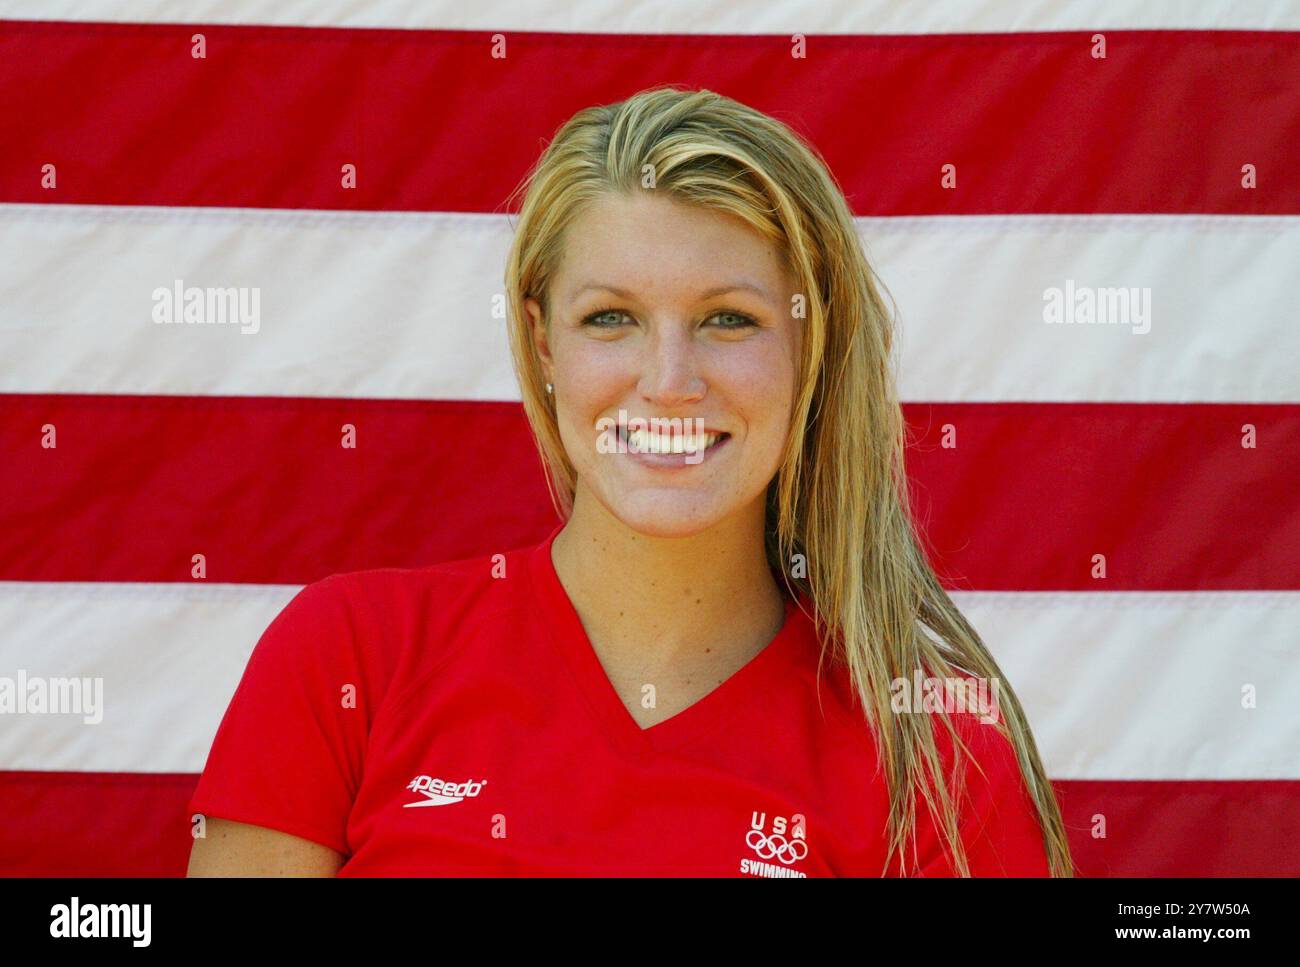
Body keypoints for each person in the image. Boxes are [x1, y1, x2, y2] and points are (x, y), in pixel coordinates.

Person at [187, 85, 1074, 877]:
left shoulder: (936, 755)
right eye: (610, 317)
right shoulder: (348, 659)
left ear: (812, 349)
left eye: (730, 319)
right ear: (544, 343)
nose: (670, 379)